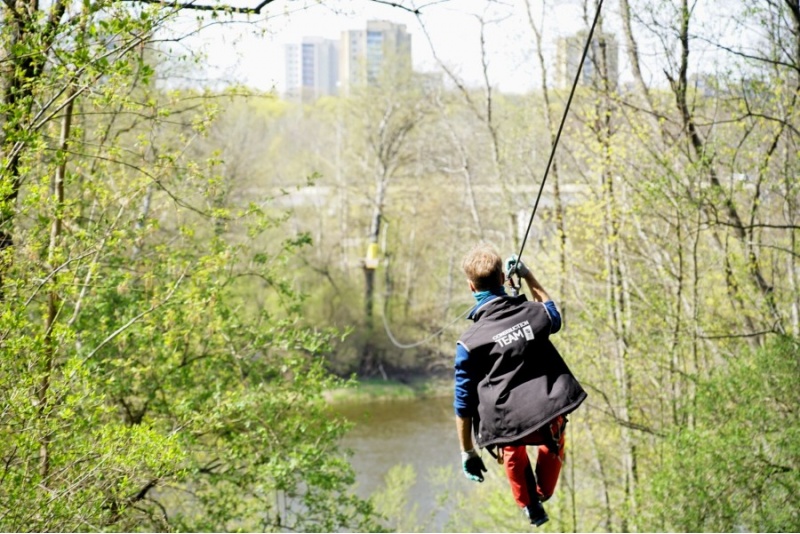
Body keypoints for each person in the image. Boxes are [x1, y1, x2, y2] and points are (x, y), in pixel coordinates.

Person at [454, 243, 587, 527]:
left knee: (512, 447)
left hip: (507, 424)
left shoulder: (470, 342)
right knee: (551, 442)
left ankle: (529, 504)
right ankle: (538, 496)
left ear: (471, 287)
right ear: (503, 278)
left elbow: (463, 405)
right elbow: (552, 312)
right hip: (548, 410)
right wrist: (528, 275)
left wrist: (468, 452)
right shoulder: (533, 313)